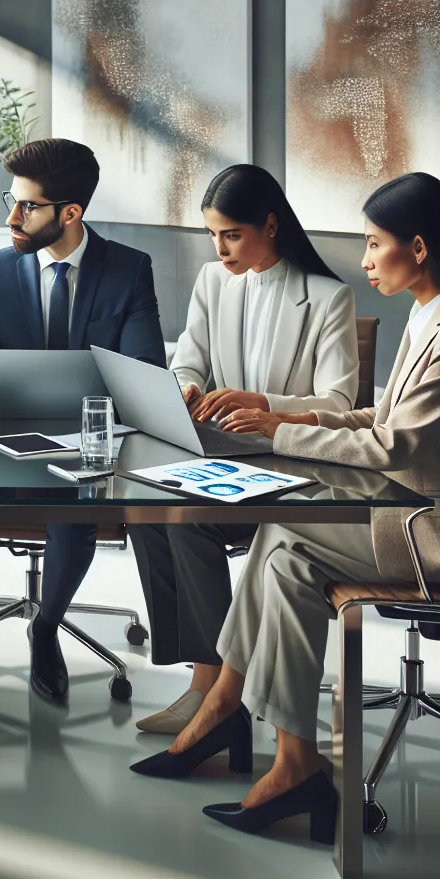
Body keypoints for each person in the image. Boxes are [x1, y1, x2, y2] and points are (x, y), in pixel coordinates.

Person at [130, 171, 440, 845]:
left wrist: (277, 428)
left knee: (287, 546)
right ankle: (260, 733)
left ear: (421, 247)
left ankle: (262, 737)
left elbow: (396, 444)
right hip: (413, 512)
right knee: (282, 540)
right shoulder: (433, 314)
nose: (366, 259)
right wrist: (304, 415)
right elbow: (383, 415)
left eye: (376, 245)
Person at [0, 138, 164, 714]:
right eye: (10, 202)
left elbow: (141, 374)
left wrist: (91, 409)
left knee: (78, 502)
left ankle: (47, 628)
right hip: (2, 437)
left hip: (86, 444)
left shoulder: (128, 271)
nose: (11, 218)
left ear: (70, 213)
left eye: (27, 207)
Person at [129, 165, 357, 736]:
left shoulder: (328, 298)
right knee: (143, 507)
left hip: (293, 465)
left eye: (232, 234)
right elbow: (190, 357)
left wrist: (266, 404)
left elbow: (339, 402)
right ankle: (203, 673)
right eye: (212, 235)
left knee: (186, 518)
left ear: (271, 225)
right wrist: (184, 383)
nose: (220, 248)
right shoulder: (213, 281)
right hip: (221, 454)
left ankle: (210, 691)